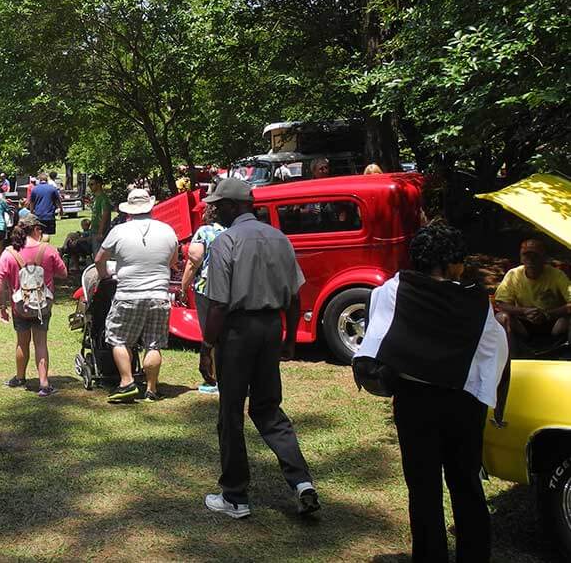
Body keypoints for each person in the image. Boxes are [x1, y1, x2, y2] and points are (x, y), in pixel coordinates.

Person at [356, 223, 510, 562]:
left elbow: (374, 343)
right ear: (451, 262)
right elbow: (493, 352)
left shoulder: (395, 289)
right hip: (464, 403)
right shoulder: (474, 299)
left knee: (423, 489)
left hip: (415, 401)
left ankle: (430, 556)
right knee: (467, 485)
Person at [202, 178, 318, 519]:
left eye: (218, 204)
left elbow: (219, 304)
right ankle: (302, 483)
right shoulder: (279, 238)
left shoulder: (227, 241)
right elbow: (295, 297)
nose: (213, 209)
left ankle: (235, 497)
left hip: (238, 331)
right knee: (269, 408)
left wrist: (207, 345)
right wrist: (290, 338)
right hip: (271, 328)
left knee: (231, 413)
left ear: (235, 206)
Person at [94, 189, 178, 403]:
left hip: (129, 293)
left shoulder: (119, 231)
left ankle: (127, 382)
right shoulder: (168, 230)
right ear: (150, 206)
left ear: (130, 209)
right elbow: (172, 261)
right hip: (159, 294)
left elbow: (99, 259)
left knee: (118, 338)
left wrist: (105, 277)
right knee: (154, 344)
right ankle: (151, 389)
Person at [0, 215, 68, 397]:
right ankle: (44, 383)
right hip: (43, 305)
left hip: (19, 306)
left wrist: (2, 307)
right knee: (41, 343)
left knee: (22, 342)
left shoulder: (9, 253)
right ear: (35, 230)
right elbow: (64, 273)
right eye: (40, 229)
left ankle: (20, 377)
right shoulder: (48, 250)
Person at [494, 236, 571, 354]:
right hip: (524, 324)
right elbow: (501, 304)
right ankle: (511, 359)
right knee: (501, 317)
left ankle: (566, 355)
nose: (530, 259)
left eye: (535, 256)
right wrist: (524, 311)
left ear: (543, 258)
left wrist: (547, 314)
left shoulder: (557, 275)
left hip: (553, 322)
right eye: (526, 255)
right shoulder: (513, 275)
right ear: (521, 258)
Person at [181, 203, 226, 395]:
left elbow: (193, 262)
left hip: (207, 288)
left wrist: (183, 286)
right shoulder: (232, 230)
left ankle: (216, 380)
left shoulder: (204, 232)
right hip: (233, 288)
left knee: (211, 335)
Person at [27, 172, 62, 238]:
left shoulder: (35, 189)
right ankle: (46, 247)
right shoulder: (52, 188)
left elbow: (32, 202)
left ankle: (41, 246)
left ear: (39, 180)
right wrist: (61, 210)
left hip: (38, 215)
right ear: (47, 179)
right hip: (50, 215)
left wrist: (31, 211)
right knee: (48, 234)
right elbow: (58, 201)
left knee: (39, 234)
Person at [88, 176, 113, 253]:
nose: (90, 186)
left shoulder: (103, 199)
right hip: (94, 230)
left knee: (98, 255)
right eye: (89, 184)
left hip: (100, 231)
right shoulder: (95, 198)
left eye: (92, 184)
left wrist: (100, 232)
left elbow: (105, 215)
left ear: (98, 184)